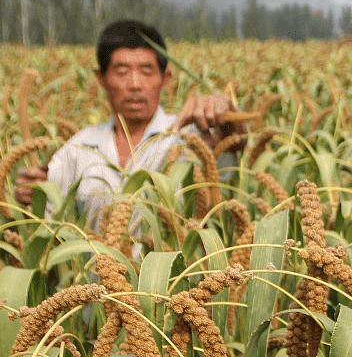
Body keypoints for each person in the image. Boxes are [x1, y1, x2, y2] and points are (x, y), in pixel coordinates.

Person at [14, 19, 246, 223]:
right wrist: (30, 198)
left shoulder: (190, 140)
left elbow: (232, 156)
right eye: (122, 71)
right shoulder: (79, 148)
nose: (135, 84)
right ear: (101, 78)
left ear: (165, 79)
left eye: (146, 71)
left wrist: (227, 118)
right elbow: (48, 223)